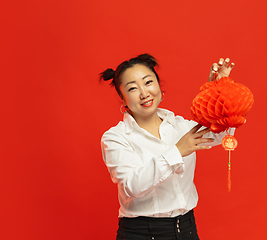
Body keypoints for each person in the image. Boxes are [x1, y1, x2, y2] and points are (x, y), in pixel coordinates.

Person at [100, 54, 235, 240]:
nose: (144, 93)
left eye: (148, 82)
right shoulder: (116, 137)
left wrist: (218, 91)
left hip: (186, 229)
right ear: (123, 99)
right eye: (132, 88)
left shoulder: (180, 126)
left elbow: (220, 133)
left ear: (159, 86)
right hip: (141, 233)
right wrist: (178, 150)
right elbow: (132, 186)